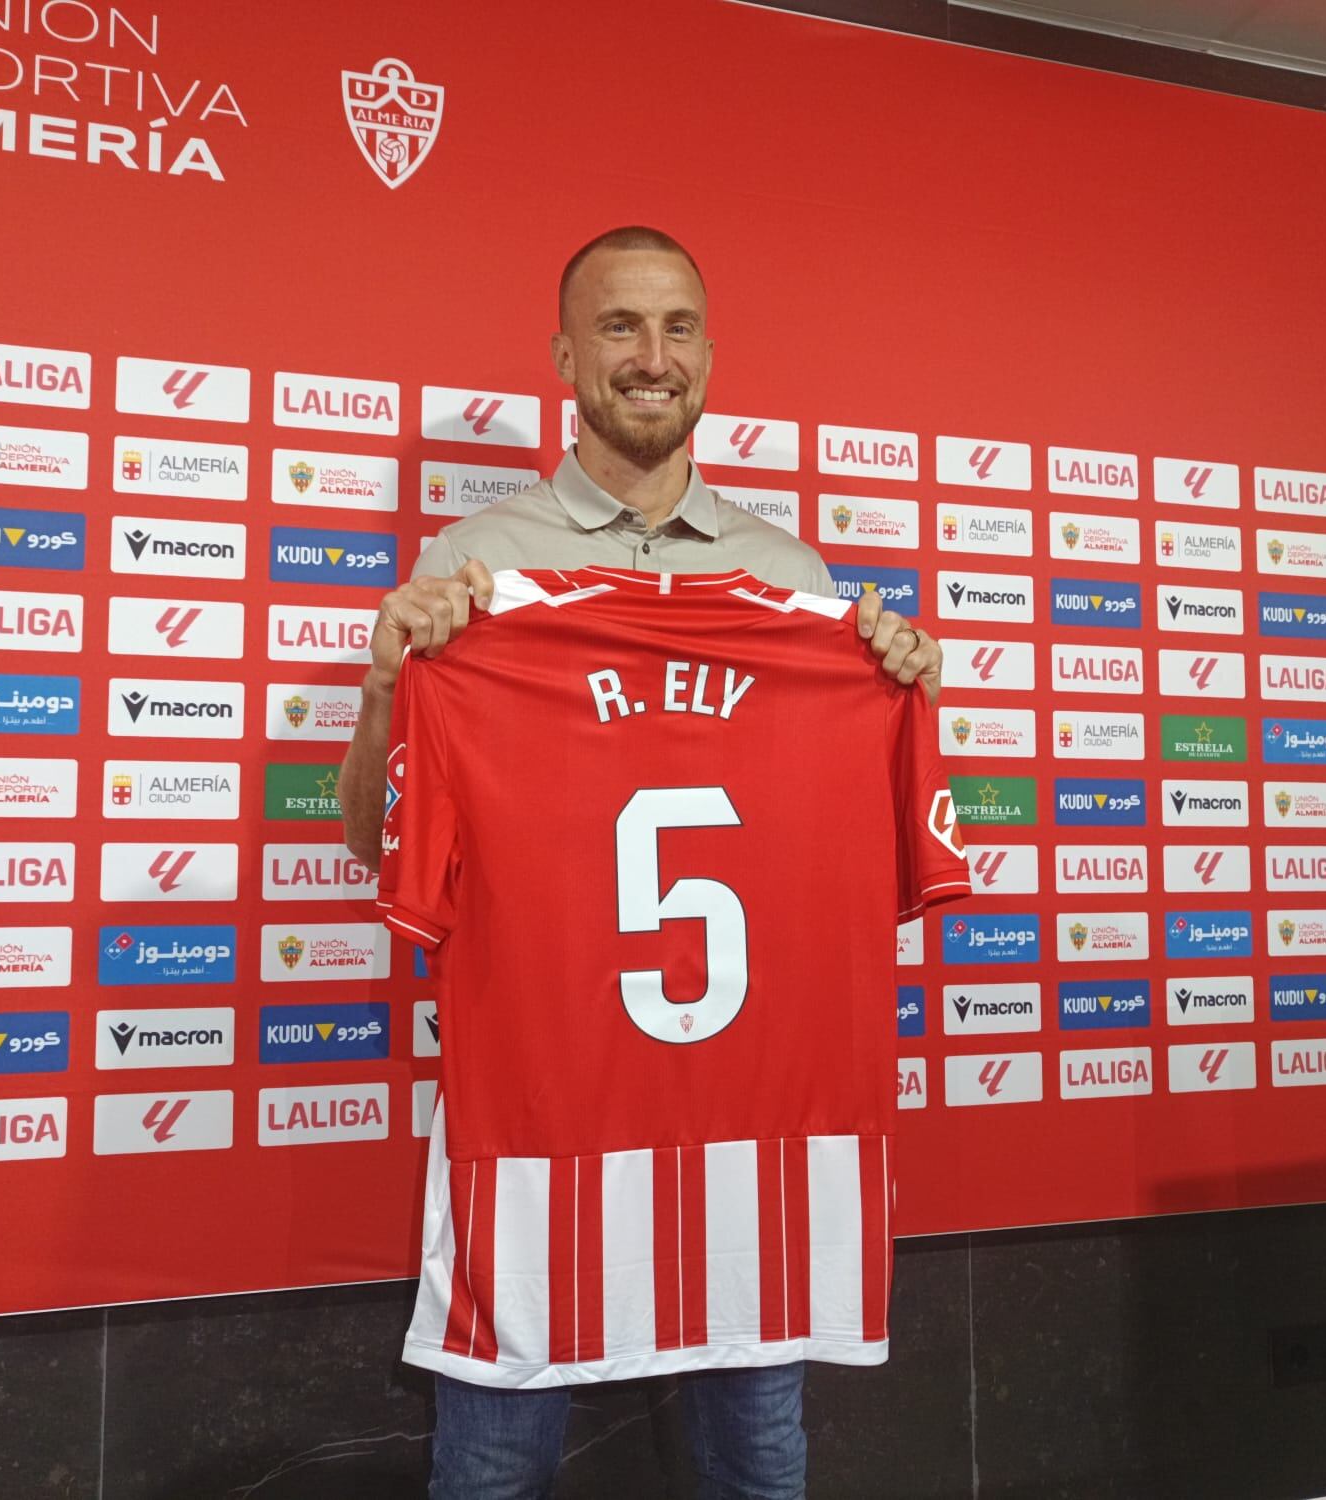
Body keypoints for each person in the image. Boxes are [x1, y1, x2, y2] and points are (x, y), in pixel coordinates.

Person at [339, 226, 944, 1499]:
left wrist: (886, 689)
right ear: (563, 356)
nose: (649, 356)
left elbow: (853, 854)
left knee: (759, 1467)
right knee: (494, 1466)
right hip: (541, 1116)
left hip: (748, 1124)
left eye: (675, 329)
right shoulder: (474, 571)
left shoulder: (793, 581)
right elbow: (376, 846)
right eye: (618, 327)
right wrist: (395, 686)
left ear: (711, 359)